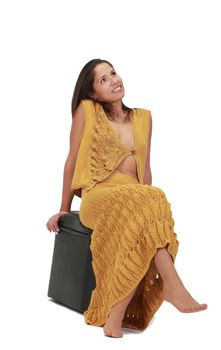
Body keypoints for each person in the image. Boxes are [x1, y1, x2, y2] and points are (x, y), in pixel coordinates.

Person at [46, 59, 208, 338]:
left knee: (150, 199)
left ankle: (114, 320)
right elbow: (71, 160)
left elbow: (145, 171)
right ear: (93, 93)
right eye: (103, 80)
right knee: (150, 198)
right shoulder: (86, 110)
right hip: (98, 195)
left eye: (113, 73)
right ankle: (170, 282)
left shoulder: (143, 118)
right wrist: (62, 209)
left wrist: (147, 211)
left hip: (133, 197)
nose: (113, 80)